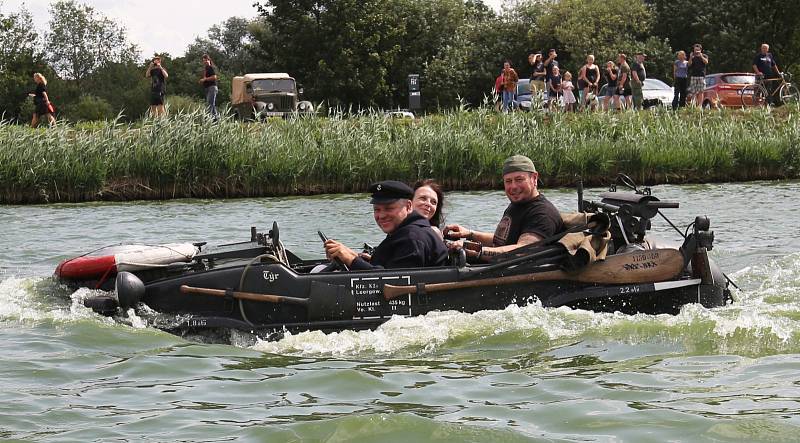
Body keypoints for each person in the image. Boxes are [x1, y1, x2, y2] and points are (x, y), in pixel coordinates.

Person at [444, 155, 565, 262]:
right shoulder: (517, 204)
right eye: (508, 181)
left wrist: (477, 250)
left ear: (534, 178)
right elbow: (503, 241)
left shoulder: (543, 213)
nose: (513, 186)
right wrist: (470, 234)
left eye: (519, 179)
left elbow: (523, 251)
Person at [324, 180, 448, 270]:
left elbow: (393, 283)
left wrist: (351, 260)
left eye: (389, 208)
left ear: (409, 206)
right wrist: (353, 256)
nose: (381, 215)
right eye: (376, 210)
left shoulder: (412, 238)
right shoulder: (404, 232)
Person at [199, 54, 219, 120]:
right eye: (204, 61)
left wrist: (205, 79)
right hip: (208, 88)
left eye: (206, 60)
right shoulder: (206, 69)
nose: (205, 62)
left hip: (212, 87)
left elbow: (214, 77)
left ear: (209, 60)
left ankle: (209, 119)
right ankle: (216, 119)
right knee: (211, 104)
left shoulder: (211, 67)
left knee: (210, 104)